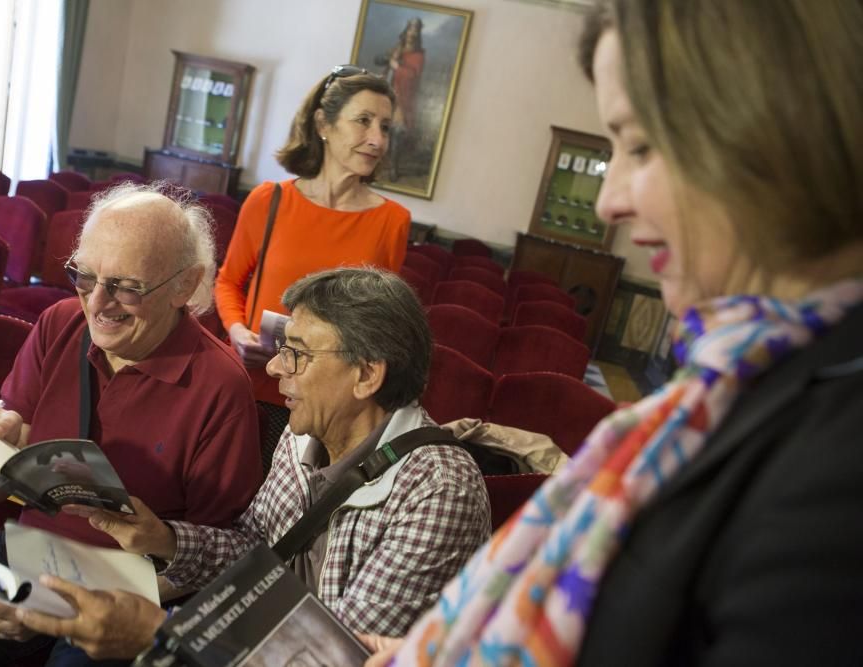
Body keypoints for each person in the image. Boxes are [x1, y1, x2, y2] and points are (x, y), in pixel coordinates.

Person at [364, 1, 863, 665]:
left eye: (641, 146)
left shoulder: (839, 466)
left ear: (776, 128)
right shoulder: (742, 378)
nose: (609, 201)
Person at [0, 183, 263, 665]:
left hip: (131, 593)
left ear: (185, 284)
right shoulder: (60, 324)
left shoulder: (221, 385)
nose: (97, 303)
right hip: (31, 553)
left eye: (126, 286)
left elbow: (221, 563)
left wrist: (49, 607)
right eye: (85, 276)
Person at [10, 267, 491, 660]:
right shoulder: (304, 434)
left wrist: (159, 632)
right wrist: (164, 538)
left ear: (366, 375)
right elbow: (259, 552)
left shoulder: (439, 488)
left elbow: (335, 656)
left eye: (297, 354)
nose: (276, 368)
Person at [215, 67, 411, 461]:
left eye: (385, 127)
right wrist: (237, 330)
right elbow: (228, 282)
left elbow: (379, 325)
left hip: (325, 411)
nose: (377, 139)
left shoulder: (392, 221)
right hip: (251, 388)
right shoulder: (268, 201)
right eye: (363, 121)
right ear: (324, 123)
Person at [379, 18, 424, 182]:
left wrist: (397, 66)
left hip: (401, 97)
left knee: (396, 132)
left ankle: (393, 168)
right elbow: (381, 64)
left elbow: (413, 75)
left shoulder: (418, 55)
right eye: (410, 29)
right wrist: (387, 60)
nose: (411, 33)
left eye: (415, 30)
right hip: (385, 96)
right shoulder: (396, 49)